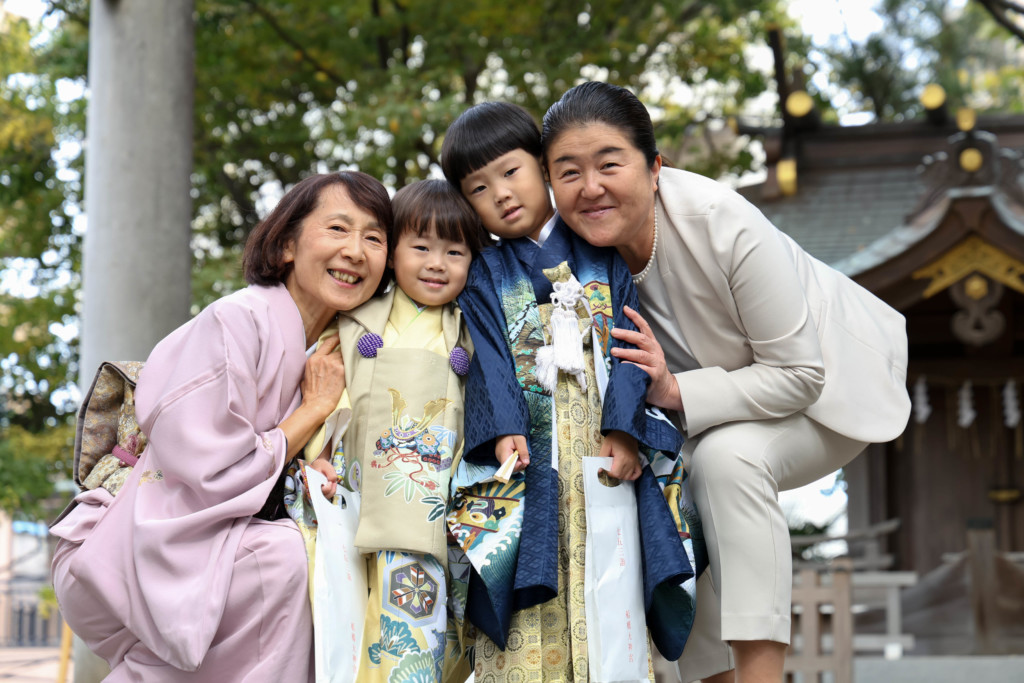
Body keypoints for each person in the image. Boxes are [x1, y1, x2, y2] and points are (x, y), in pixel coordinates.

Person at [541, 81, 911, 683]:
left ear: (655, 167)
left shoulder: (722, 220)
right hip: (711, 412)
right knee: (669, 479)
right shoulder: (563, 254)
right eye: (569, 171)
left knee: (724, 460)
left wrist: (675, 392)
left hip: (828, 395)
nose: (591, 187)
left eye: (610, 163)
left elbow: (801, 373)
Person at [49, 170, 393, 681]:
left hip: (203, 550)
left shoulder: (328, 350)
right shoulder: (238, 319)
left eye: (374, 237)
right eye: (338, 229)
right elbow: (209, 468)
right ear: (286, 246)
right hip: (127, 547)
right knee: (283, 559)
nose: (357, 251)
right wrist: (312, 411)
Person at [441, 101, 691, 681]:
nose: (501, 194)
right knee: (537, 572)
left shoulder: (603, 252)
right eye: (479, 188)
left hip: (602, 443)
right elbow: (492, 362)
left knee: (613, 575)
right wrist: (503, 429)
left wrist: (624, 431)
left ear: (545, 168)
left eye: (511, 172)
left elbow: (630, 344)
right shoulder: (485, 272)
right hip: (532, 450)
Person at [297, 179, 485, 682]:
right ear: (394, 250)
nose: (435, 263)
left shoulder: (470, 331)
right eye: (420, 247)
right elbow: (330, 399)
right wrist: (320, 455)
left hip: (428, 515)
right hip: (354, 495)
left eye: (455, 251)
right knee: (343, 625)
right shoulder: (353, 323)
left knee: (414, 640)